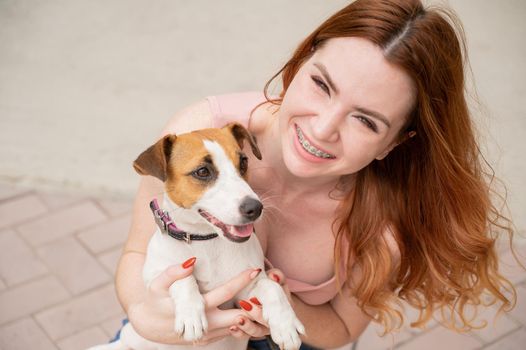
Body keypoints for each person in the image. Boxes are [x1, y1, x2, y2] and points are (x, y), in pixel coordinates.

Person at [114, 0, 516, 349]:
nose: (322, 129)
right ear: (301, 60)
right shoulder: (199, 133)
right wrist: (144, 314)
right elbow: (139, 252)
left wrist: (278, 305)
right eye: (322, 84)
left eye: (366, 120)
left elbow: (341, 327)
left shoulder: (384, 224)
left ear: (394, 142)